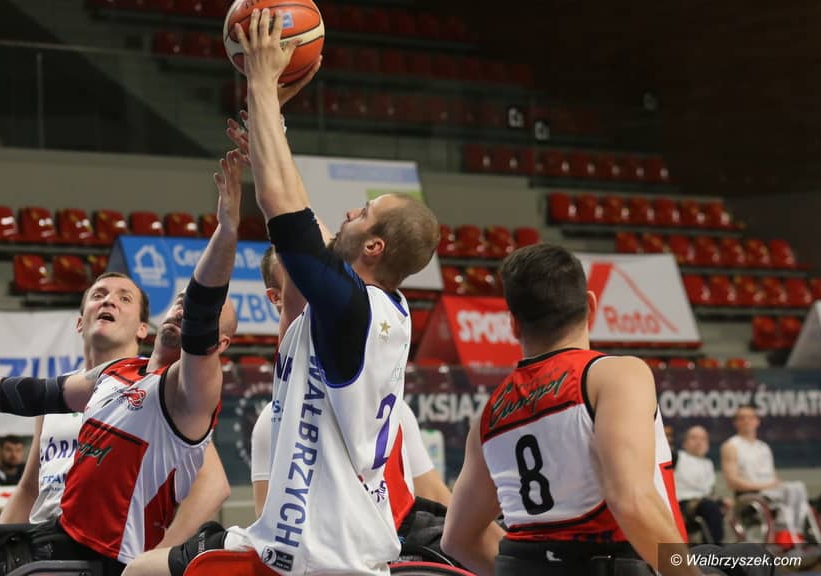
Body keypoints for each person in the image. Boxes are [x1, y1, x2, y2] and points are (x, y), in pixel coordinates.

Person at [125, 11, 441, 576]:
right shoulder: (371, 307)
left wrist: (263, 82)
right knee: (141, 570)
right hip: (306, 539)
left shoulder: (351, 308)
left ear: (374, 248)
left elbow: (286, 215)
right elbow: (303, 220)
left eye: (364, 212)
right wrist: (272, 125)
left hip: (322, 554)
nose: (350, 212)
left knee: (138, 570)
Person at [0, 150, 243, 575]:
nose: (184, 307)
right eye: (179, 300)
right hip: (61, 532)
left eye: (194, 307)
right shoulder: (113, 375)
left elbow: (202, 313)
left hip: (106, 556)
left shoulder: (185, 394)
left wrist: (226, 232)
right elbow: (23, 393)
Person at [441, 243, 695, 576]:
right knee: (749, 560)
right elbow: (632, 502)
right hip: (625, 563)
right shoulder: (615, 375)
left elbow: (457, 539)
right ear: (591, 305)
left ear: (513, 324)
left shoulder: (487, 419)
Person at [251, 246, 451, 516]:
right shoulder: (273, 421)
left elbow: (435, 493)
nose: (321, 291)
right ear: (276, 298)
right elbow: (269, 521)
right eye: (302, 281)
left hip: (397, 540)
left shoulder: (393, 407)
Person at [722, 405, 821, 545]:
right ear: (735, 422)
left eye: (750, 417)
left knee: (797, 487)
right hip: (750, 495)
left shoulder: (764, 447)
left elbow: (774, 477)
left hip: (771, 492)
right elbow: (732, 482)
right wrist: (765, 486)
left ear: (757, 421)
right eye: (742, 418)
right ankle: (786, 534)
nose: (746, 421)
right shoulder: (731, 446)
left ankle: (801, 533)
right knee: (789, 493)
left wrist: (776, 484)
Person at [674, 426, 727, 544]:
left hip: (704, 503)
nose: (699, 442)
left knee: (720, 505)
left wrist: (722, 500)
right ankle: (715, 548)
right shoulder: (677, 457)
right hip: (682, 504)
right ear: (685, 443)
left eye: (703, 439)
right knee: (710, 507)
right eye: (694, 438)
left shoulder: (708, 464)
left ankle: (712, 545)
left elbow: (709, 491)